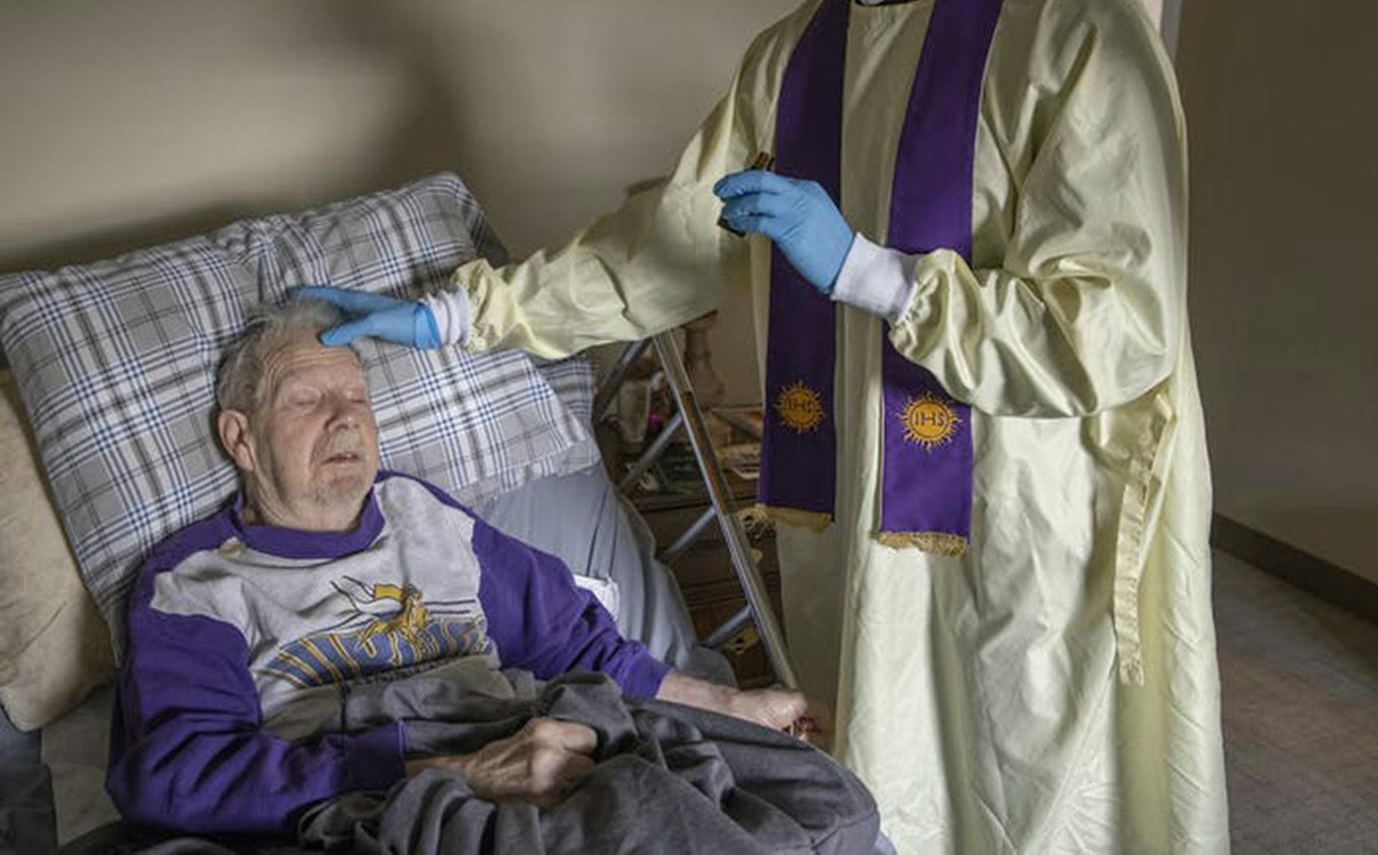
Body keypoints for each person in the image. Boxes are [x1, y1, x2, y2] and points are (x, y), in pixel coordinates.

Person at [306, 0, 1229, 850]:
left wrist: (869, 273)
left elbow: (1112, 334)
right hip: (851, 519)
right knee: (876, 780)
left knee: (1021, 791)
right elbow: (658, 253)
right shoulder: (794, 59)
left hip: (1017, 523)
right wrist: (454, 312)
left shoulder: (1066, 15)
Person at [106, 299, 879, 852]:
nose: (345, 418)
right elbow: (178, 775)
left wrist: (739, 704)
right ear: (239, 437)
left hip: (547, 732)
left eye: (358, 397)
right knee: (652, 817)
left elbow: (577, 644)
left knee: (831, 798)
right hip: (397, 786)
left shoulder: (423, 514)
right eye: (308, 398)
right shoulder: (197, 581)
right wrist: (457, 769)